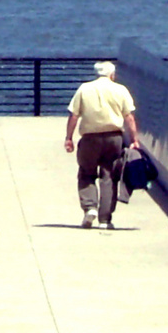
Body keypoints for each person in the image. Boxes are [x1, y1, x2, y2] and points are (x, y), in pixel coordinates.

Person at [64, 61, 139, 229]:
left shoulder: (84, 89)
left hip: (90, 138)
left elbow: (74, 115)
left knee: (86, 173)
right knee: (109, 176)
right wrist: (134, 139)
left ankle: (90, 208)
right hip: (114, 138)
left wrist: (69, 138)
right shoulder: (121, 90)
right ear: (112, 74)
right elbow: (129, 117)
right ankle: (105, 219)